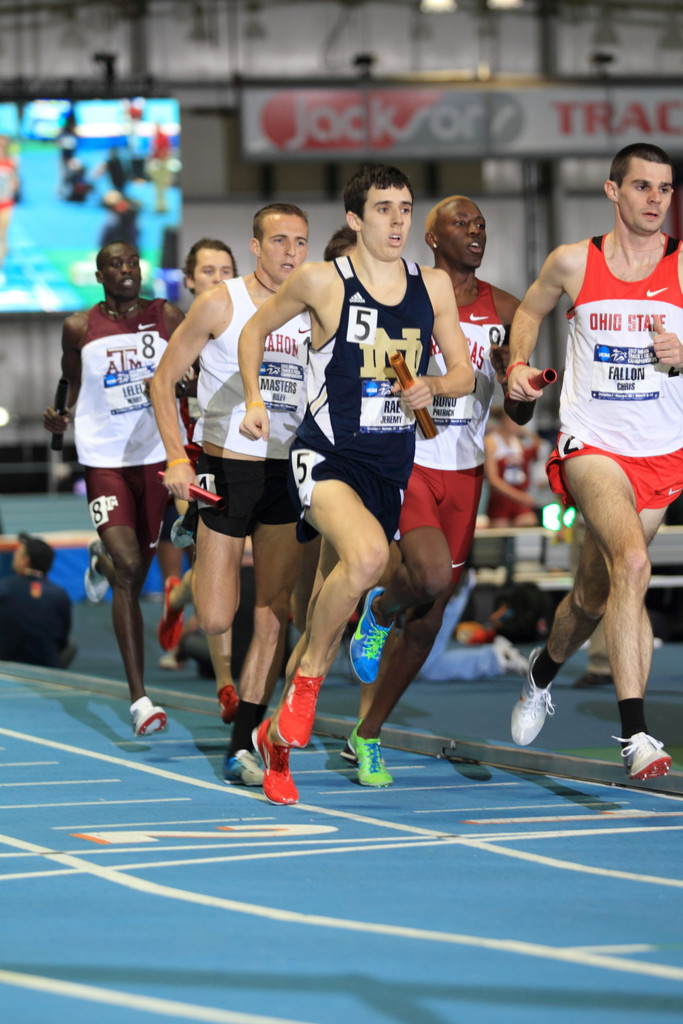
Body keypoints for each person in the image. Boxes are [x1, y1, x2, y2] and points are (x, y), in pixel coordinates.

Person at [238, 164, 474, 805]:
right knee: (368, 558)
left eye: (405, 208)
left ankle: (274, 742)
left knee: (330, 613)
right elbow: (255, 330)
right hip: (325, 457)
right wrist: (257, 399)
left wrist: (435, 386)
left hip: (389, 469)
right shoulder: (323, 281)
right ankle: (309, 688)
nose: (397, 221)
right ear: (355, 219)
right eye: (383, 209)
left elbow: (464, 375)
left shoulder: (434, 288)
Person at [505, 142, 683, 781]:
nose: (655, 199)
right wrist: (520, 366)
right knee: (634, 562)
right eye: (642, 187)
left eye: (664, 188)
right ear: (613, 192)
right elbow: (527, 312)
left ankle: (541, 673)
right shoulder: (573, 262)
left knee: (595, 592)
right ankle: (636, 736)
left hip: (662, 454)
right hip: (592, 446)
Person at [341, 194, 521, 785]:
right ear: (432, 239)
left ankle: (368, 737)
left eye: (481, 224)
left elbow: (517, 413)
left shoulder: (509, 309)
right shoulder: (405, 291)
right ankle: (380, 605)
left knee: (428, 623)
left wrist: (516, 381)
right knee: (429, 577)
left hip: (467, 474)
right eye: (461, 224)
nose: (475, 231)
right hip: (410, 460)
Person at [150, 203, 311, 788]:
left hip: (287, 470)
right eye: (279, 241)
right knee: (218, 615)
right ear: (255, 246)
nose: (290, 252)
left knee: (274, 611)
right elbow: (162, 380)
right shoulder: (223, 301)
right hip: (227, 465)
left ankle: (246, 739)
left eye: (300, 241)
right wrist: (174, 455)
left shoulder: (314, 307)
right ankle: (187, 573)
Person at [43, 240, 185, 737]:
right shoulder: (79, 326)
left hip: (156, 459)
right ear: (99, 275)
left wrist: (185, 388)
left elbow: (195, 364)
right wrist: (60, 415)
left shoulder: (165, 314)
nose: (127, 271)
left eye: (132, 263)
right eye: (116, 265)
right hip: (103, 459)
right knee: (131, 569)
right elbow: (70, 379)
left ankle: (100, 559)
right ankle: (140, 699)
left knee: (131, 567)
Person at [157, 237, 241, 727]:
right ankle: (225, 683)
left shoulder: (249, 322)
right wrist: (172, 459)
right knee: (216, 562)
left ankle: (176, 597)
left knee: (209, 570)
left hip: (244, 456)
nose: (216, 277)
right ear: (189, 280)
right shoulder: (177, 331)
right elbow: (159, 390)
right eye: (207, 271)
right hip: (194, 458)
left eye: (225, 269)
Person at [0, 533, 75, 669]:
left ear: (25, 561)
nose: (13, 556)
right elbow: (62, 640)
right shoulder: (60, 595)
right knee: (70, 646)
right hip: (46, 667)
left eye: (17, 553)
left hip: (7, 668)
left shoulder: (4, 588)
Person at [484, 406, 540, 527]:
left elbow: (539, 444)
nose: (517, 424)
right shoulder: (491, 441)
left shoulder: (518, 441)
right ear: (503, 420)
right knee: (501, 534)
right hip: (501, 499)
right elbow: (493, 479)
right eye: (513, 420)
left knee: (529, 523)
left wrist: (522, 429)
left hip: (519, 496)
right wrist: (519, 496)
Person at [0, 134, 19, 283]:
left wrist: (13, 185)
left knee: (2, 235)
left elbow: (15, 182)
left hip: (5, 204)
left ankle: (1, 267)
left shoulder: (11, 162)